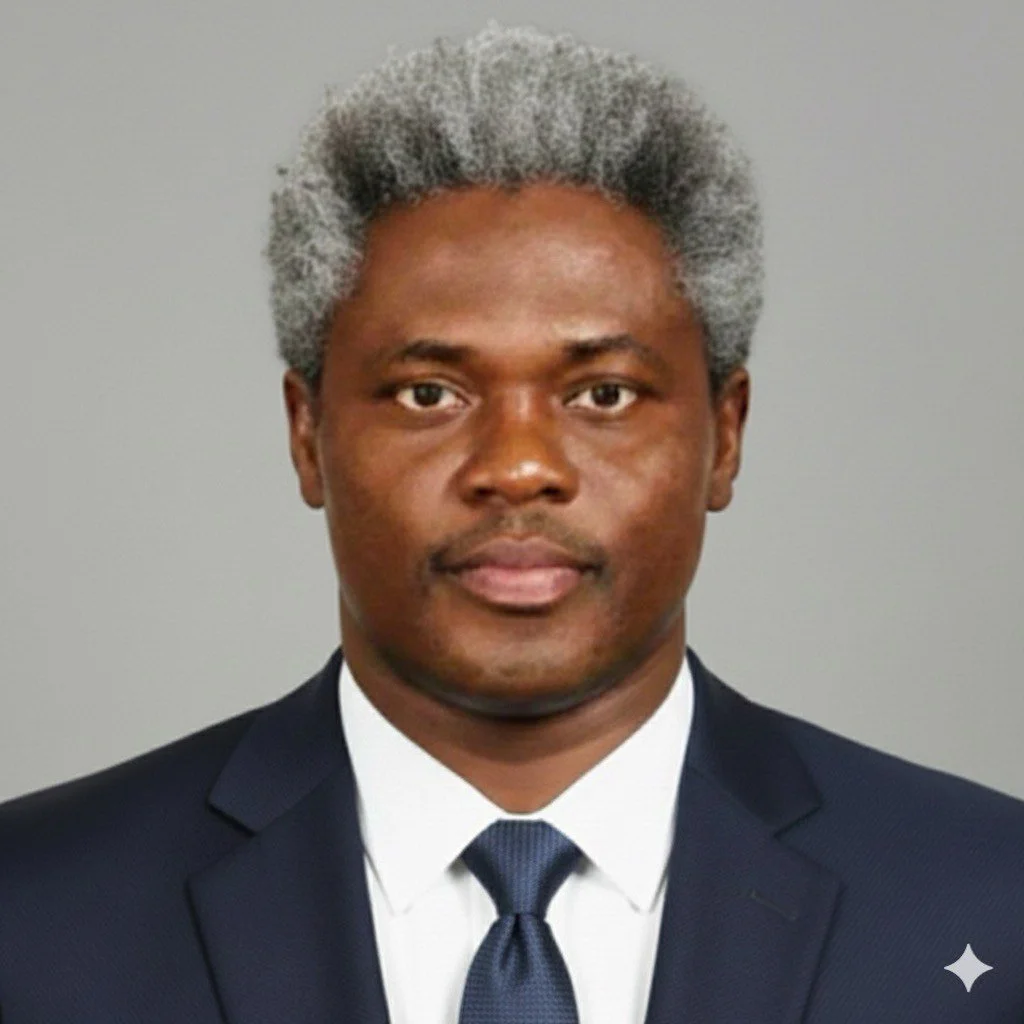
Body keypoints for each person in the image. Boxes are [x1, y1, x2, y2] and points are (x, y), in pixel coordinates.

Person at [0, 20, 1021, 1024]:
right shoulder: (32, 913)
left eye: (604, 394)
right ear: (307, 435)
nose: (517, 467)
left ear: (726, 434)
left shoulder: (990, 899)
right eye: (429, 394)